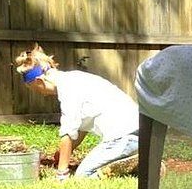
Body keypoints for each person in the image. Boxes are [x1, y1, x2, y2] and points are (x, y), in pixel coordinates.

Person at [15, 44, 139, 181]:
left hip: (122, 138)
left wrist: (62, 174)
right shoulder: (75, 78)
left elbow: (67, 134)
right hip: (140, 134)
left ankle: (133, 165)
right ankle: (141, 164)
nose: (38, 93)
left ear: (39, 81)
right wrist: (64, 152)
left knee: (82, 176)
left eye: (35, 89)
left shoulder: (68, 90)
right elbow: (82, 127)